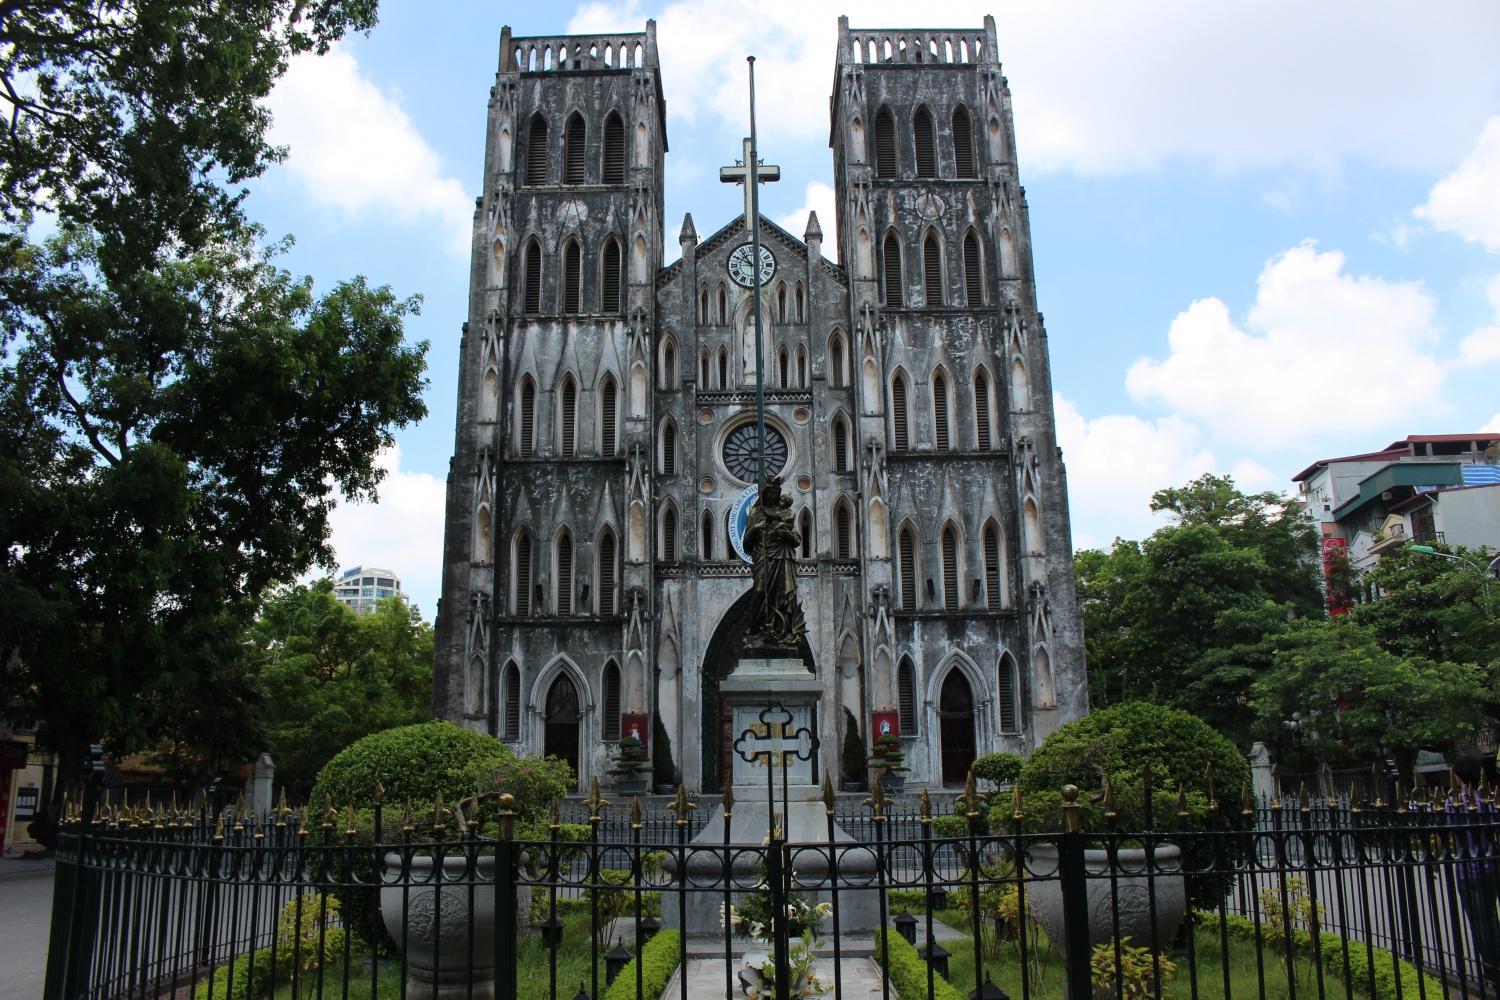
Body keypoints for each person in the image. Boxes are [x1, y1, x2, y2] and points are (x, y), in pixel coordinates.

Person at [1447, 752, 1500, 995]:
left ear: (1459, 776)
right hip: (1490, 866)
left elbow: (1444, 833)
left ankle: (1491, 966)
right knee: (1490, 915)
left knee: (1479, 920)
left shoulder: (1452, 803)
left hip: (1467, 871)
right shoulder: (1487, 800)